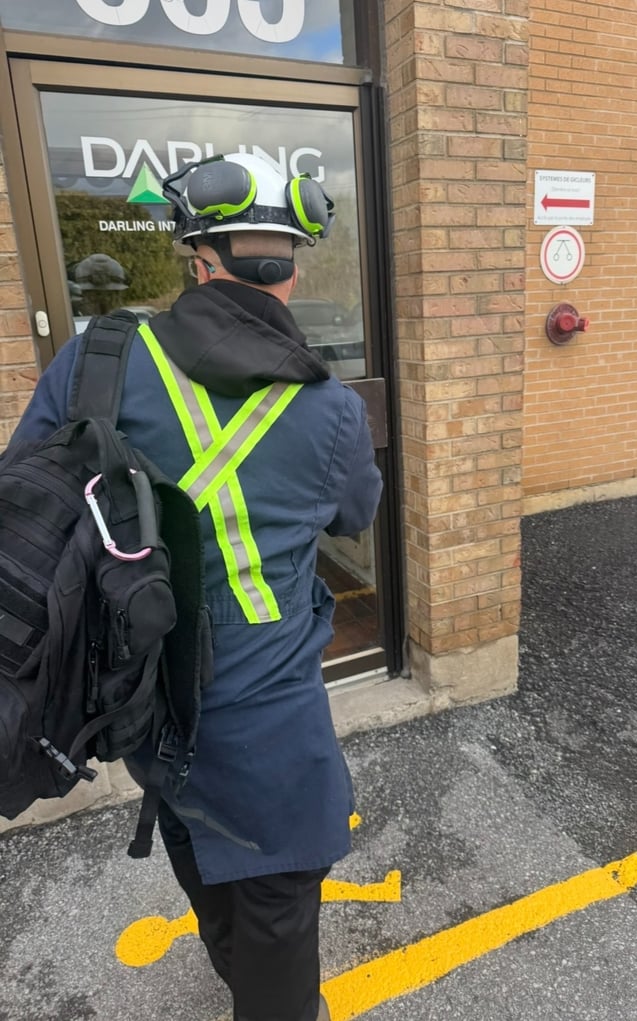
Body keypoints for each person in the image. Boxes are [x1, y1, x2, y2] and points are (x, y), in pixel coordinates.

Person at [10, 152, 383, 1021]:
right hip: (272, 737)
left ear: (198, 259)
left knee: (203, 856)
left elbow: (24, 492)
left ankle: (239, 976)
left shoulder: (95, 357)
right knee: (277, 921)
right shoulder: (328, 407)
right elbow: (353, 515)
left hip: (139, 709)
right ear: (291, 267)